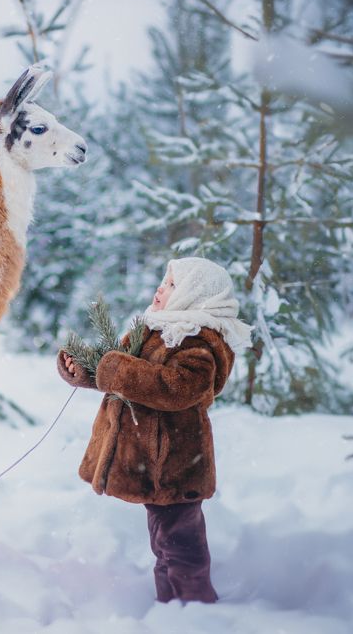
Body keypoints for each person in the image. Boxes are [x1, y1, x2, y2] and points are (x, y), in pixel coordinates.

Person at [57, 257, 252, 603]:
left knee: (181, 546)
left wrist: (117, 370)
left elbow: (177, 387)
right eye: (165, 281)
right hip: (152, 464)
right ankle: (172, 607)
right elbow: (118, 369)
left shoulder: (199, 340)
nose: (162, 288)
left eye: (173, 285)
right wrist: (85, 371)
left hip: (175, 465)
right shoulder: (154, 328)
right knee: (164, 544)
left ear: (195, 294)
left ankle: (196, 610)